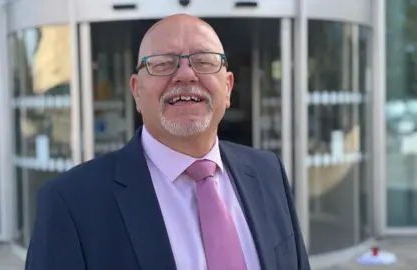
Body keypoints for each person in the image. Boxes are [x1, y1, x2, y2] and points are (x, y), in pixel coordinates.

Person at [25, 14, 311, 270]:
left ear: (227, 87)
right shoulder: (71, 203)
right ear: (136, 91)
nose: (186, 74)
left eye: (204, 61)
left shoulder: (268, 172)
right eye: (162, 64)